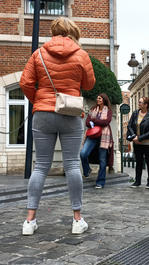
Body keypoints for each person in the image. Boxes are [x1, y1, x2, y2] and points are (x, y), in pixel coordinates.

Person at [20, 17, 95, 235]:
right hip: (70, 113)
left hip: (42, 113)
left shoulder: (39, 53)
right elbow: (89, 84)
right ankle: (77, 220)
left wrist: (40, 101)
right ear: (73, 31)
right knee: (72, 164)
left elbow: (25, 83)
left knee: (41, 166)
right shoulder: (81, 54)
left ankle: (29, 221)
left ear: (53, 31)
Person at [80, 93, 114, 189]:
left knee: (102, 160)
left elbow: (106, 122)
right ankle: (87, 171)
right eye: (97, 98)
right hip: (92, 135)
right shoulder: (92, 109)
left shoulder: (109, 111)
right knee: (83, 153)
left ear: (104, 99)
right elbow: (87, 122)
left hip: (104, 137)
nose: (97, 99)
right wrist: (97, 121)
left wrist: (94, 121)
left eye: (99, 98)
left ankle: (100, 182)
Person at [127, 97, 149, 189]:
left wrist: (140, 138)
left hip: (148, 142)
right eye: (138, 102)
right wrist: (134, 136)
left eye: (140, 102)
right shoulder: (135, 113)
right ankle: (137, 181)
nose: (138, 103)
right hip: (137, 141)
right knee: (138, 162)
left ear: (145, 105)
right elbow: (130, 125)